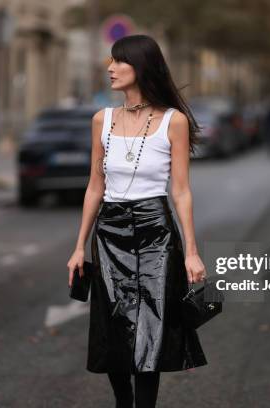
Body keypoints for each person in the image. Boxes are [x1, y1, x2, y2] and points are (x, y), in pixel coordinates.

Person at [66, 34, 208, 408]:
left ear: (140, 67)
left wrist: (191, 252)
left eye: (119, 62)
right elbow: (95, 187)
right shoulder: (102, 120)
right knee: (114, 324)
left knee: (151, 328)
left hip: (156, 231)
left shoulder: (172, 122)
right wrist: (79, 247)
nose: (110, 69)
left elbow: (181, 191)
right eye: (110, 62)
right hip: (109, 231)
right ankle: (122, 401)